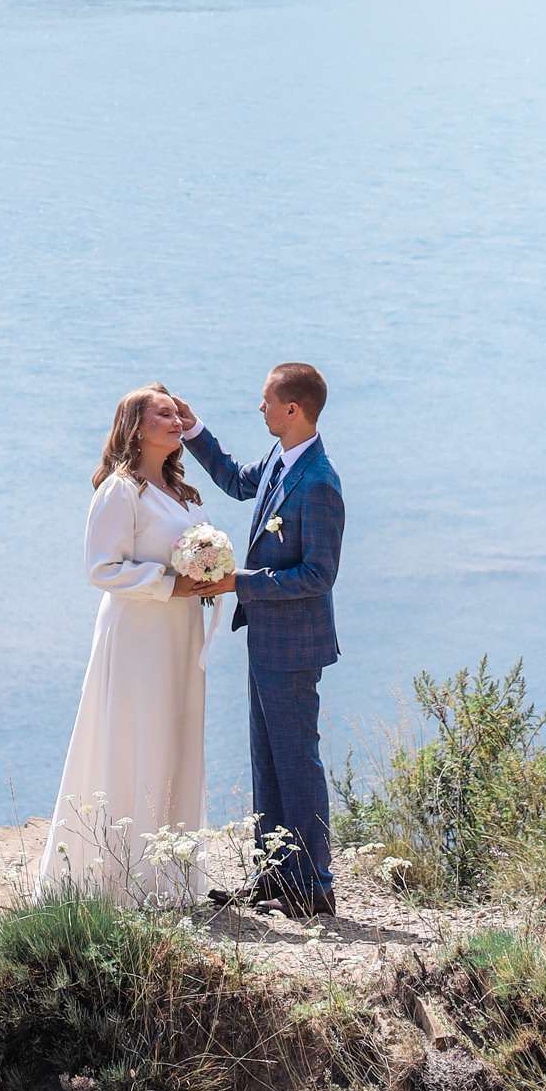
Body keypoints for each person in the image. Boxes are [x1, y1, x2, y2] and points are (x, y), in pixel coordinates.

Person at [38, 385, 235, 902]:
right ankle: (125, 883)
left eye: (178, 414)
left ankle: (172, 876)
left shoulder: (182, 494)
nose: (177, 422)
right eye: (164, 415)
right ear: (136, 427)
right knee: (138, 737)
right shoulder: (120, 491)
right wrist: (172, 583)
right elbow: (101, 567)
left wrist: (207, 575)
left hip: (181, 633)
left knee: (176, 736)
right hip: (139, 636)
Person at [172, 362, 344, 918]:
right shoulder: (279, 458)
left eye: (266, 400)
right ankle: (273, 875)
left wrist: (236, 582)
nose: (261, 408)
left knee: (297, 762)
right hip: (268, 640)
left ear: (293, 409)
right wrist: (194, 431)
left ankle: (314, 885)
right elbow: (233, 479)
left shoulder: (318, 483)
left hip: (295, 648)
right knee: (267, 759)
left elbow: (319, 575)